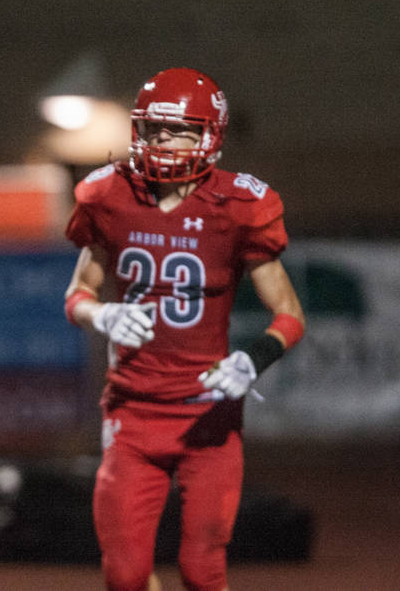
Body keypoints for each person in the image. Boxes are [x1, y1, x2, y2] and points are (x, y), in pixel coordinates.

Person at [63, 67, 306, 591]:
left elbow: (289, 314)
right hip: (133, 412)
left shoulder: (241, 205)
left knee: (201, 570)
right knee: (124, 575)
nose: (163, 140)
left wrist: (252, 359)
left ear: (210, 135)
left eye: (179, 130)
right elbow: (77, 294)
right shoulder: (108, 194)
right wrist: (100, 314)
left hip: (208, 420)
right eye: (154, 129)